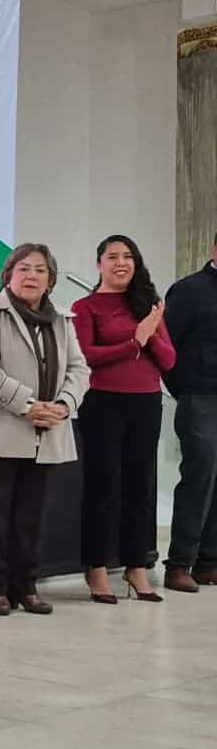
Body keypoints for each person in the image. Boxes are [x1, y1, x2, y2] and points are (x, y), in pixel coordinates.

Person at [0, 244, 90, 616]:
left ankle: (26, 587)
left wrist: (63, 404)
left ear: (51, 280)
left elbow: (79, 368)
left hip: (45, 434)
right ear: (9, 275)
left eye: (40, 270)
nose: (32, 275)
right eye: (24, 268)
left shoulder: (62, 318)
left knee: (30, 519)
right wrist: (28, 405)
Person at [72, 235, 175, 602]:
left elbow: (169, 360)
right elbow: (87, 356)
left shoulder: (148, 305)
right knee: (102, 486)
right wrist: (134, 342)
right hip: (103, 402)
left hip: (146, 402)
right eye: (113, 256)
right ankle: (96, 567)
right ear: (99, 264)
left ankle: (136, 566)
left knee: (139, 487)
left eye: (128, 256)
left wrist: (148, 336)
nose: (121, 263)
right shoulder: (85, 307)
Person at [163, 232, 217, 589]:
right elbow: (166, 349)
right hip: (200, 398)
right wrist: (185, 391)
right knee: (199, 477)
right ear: (214, 249)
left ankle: (208, 562)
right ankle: (179, 564)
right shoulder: (188, 290)